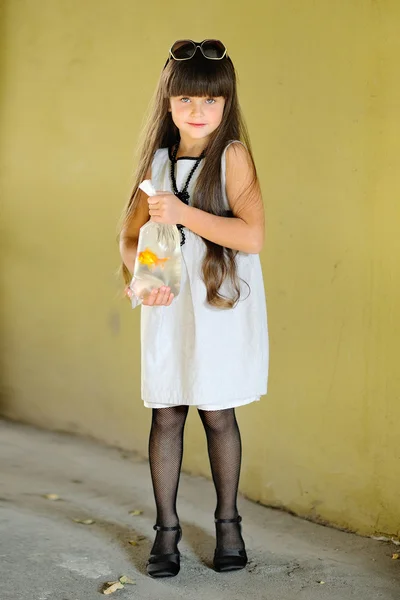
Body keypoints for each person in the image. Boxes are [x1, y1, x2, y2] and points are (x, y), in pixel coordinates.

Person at [119, 39, 269, 578]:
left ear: (227, 105)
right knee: (166, 411)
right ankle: (166, 531)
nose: (198, 111)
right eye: (186, 100)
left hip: (218, 305)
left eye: (211, 100)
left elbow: (251, 236)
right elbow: (132, 237)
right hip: (169, 304)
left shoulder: (232, 156)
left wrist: (181, 210)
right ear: (167, 103)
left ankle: (228, 523)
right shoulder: (157, 161)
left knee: (217, 412)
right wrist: (139, 280)